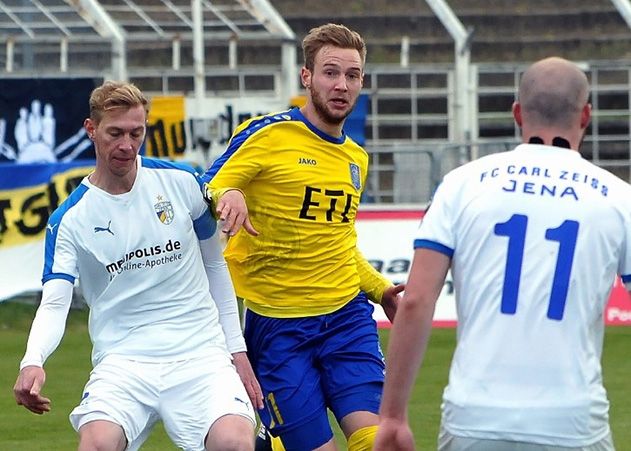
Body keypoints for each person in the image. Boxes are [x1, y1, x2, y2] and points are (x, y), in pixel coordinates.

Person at [374, 56, 631, 451]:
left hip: (474, 419)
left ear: (516, 113)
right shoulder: (618, 197)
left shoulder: (461, 184)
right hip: (573, 421)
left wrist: (392, 417)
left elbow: (417, 301)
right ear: (585, 116)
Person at [13, 81, 262, 451]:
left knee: (234, 443)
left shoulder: (180, 182)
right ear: (91, 130)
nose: (127, 145)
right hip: (123, 361)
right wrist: (32, 361)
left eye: (136, 132)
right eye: (115, 133)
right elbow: (54, 302)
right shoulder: (70, 219)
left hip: (199, 354)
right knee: (96, 444)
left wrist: (235, 349)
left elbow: (214, 265)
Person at [202, 23, 404, 451]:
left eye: (352, 75)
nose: (342, 85)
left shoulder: (355, 158)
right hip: (278, 329)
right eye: (331, 72)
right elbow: (211, 181)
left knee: (380, 442)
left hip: (347, 321)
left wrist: (381, 290)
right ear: (306, 76)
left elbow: (340, 241)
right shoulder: (268, 134)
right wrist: (230, 192)